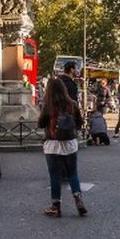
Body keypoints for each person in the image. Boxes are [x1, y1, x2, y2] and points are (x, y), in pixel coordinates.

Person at [37, 74, 87, 217]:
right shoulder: (72, 104)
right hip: (70, 142)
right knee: (72, 173)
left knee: (55, 175)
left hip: (52, 143)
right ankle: (78, 199)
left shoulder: (48, 106)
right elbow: (80, 123)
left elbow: (41, 124)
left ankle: (56, 205)